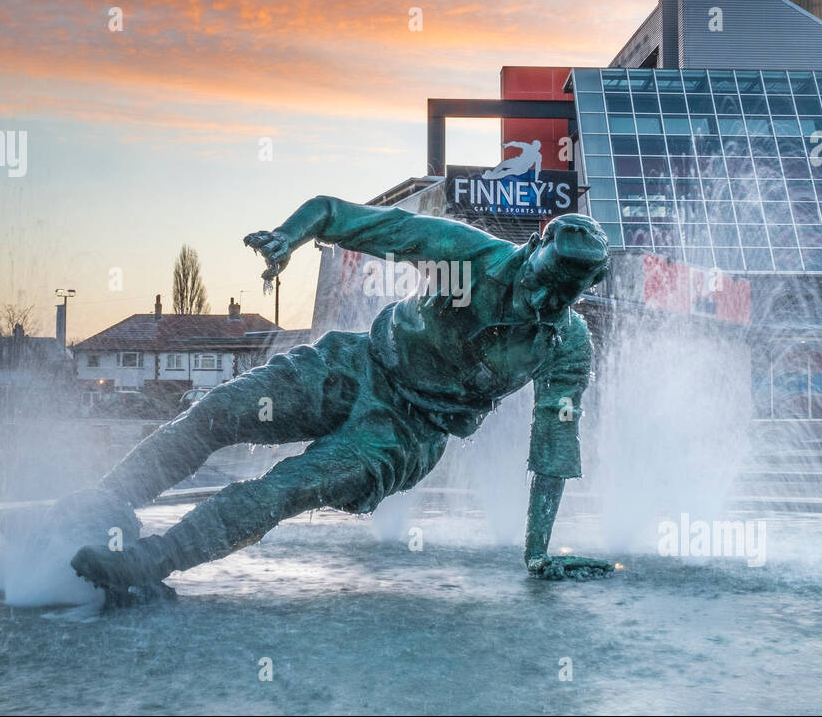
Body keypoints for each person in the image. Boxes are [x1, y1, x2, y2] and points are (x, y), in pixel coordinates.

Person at [66, 195, 613, 597]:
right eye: (542, 280)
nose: (543, 299)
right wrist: (289, 236)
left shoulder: (566, 346)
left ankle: (148, 563)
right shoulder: (467, 255)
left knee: (286, 488)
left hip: (407, 433)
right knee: (216, 412)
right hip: (356, 365)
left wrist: (538, 553)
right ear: (535, 245)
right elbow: (338, 215)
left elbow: (552, 451)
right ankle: (104, 502)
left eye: (562, 295)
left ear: (587, 289)